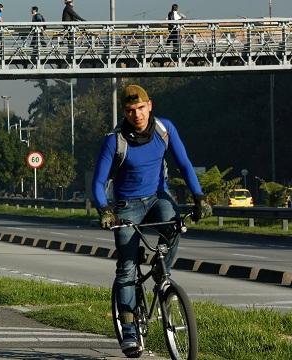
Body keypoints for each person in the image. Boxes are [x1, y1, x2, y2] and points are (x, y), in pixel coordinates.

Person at [92, 84, 211, 356]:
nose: (137, 114)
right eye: (130, 110)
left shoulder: (164, 129)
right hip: (126, 206)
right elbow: (98, 183)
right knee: (127, 269)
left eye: (141, 108)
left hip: (158, 197)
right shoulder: (115, 140)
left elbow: (184, 163)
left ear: (150, 105)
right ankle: (130, 331)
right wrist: (104, 210)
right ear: (125, 112)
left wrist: (199, 196)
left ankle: (162, 271)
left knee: (175, 225)